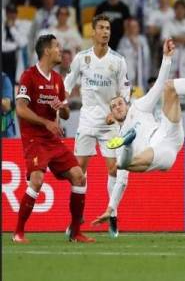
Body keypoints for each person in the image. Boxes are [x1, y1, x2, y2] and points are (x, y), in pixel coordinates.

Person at [90, 40, 185, 224]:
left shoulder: (139, 107)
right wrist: (111, 209)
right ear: (111, 115)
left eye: (120, 103)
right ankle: (129, 147)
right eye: (113, 107)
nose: (118, 107)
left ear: (126, 103)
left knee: (169, 87)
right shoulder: (118, 140)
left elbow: (158, 85)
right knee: (121, 166)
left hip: (168, 132)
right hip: (161, 152)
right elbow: (121, 183)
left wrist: (167, 58)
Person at [13, 34, 93, 243]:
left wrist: (62, 107)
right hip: (34, 139)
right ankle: (18, 233)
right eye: (57, 47)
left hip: (53, 140)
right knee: (37, 180)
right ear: (47, 51)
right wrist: (46, 122)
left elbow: (65, 114)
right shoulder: (29, 76)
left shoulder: (57, 80)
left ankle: (75, 232)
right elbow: (20, 109)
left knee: (79, 176)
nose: (60, 51)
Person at [64, 14, 131, 238]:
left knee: (114, 168)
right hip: (86, 122)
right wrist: (59, 103)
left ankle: (112, 214)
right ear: (92, 32)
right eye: (101, 28)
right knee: (78, 172)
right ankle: (75, 221)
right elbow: (68, 83)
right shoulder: (82, 59)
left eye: (108, 28)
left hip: (109, 123)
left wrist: (117, 113)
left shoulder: (118, 61)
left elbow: (126, 91)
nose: (105, 32)